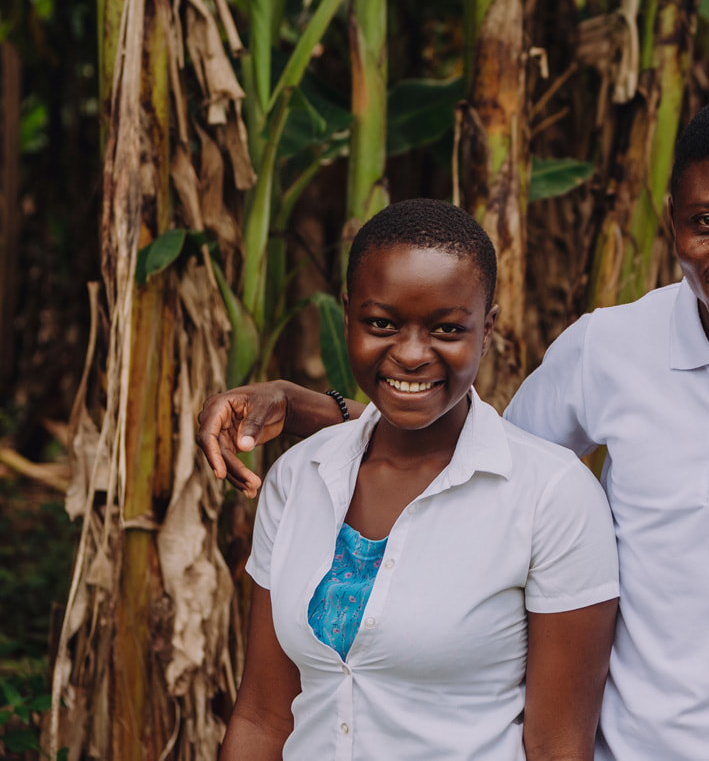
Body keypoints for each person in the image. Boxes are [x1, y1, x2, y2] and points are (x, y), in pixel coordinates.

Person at [201, 91, 709, 760]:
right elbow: (477, 455)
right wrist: (316, 411)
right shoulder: (607, 348)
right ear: (673, 219)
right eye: (708, 220)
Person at [218, 199, 619, 760]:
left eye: (447, 328)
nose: (409, 354)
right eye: (381, 323)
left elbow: (557, 745)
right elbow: (262, 716)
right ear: (347, 315)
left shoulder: (551, 496)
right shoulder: (299, 476)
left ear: (488, 329)